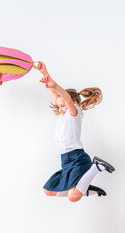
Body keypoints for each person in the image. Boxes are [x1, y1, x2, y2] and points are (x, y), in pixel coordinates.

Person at [34, 61, 115, 202]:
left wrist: (56, 85)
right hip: (65, 161)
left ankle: (96, 167)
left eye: (62, 105)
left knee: (73, 197)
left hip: (77, 159)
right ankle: (86, 189)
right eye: (59, 106)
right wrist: (44, 73)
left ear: (74, 104)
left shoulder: (74, 113)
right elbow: (57, 96)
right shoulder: (63, 116)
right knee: (49, 190)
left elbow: (66, 99)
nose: (60, 109)